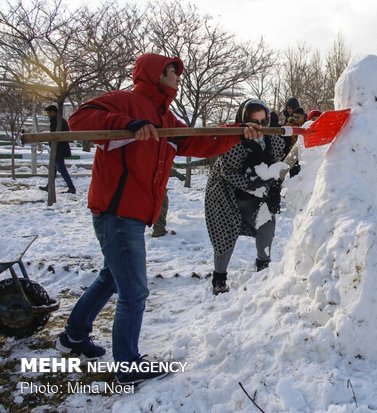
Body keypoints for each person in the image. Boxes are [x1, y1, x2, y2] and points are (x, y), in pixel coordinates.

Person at [56, 53, 262, 385]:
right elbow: (80, 118)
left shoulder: (165, 117)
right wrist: (127, 124)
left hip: (131, 213)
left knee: (112, 278)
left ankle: (73, 338)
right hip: (118, 211)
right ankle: (127, 367)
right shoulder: (127, 102)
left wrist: (237, 132)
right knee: (134, 292)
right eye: (170, 72)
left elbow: (197, 141)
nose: (177, 77)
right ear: (154, 74)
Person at [205, 98, 287, 295]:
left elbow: (276, 165)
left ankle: (263, 264)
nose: (259, 127)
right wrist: (251, 185)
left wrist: (272, 184)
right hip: (226, 196)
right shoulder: (231, 139)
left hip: (258, 197)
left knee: (267, 225)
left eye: (263, 121)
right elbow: (227, 171)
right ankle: (219, 277)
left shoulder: (273, 139)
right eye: (254, 122)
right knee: (225, 236)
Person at [39, 105, 76, 194]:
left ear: (53, 112)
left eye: (49, 112)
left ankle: (71, 188)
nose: (48, 114)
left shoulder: (57, 121)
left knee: (62, 170)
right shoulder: (60, 120)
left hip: (58, 150)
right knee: (53, 169)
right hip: (58, 150)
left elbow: (55, 136)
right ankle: (49, 186)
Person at [151, 168, 186, 238]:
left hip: (146, 185)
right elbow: (162, 168)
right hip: (156, 187)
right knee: (161, 207)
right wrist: (176, 174)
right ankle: (159, 230)